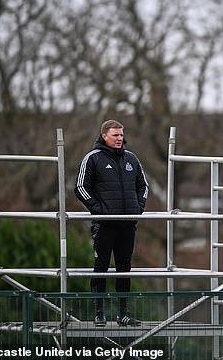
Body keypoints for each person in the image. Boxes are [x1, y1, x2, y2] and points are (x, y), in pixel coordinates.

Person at [74, 119, 149, 327]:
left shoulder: (132, 159)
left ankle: (123, 313)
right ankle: (99, 313)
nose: (120, 139)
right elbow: (80, 187)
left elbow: (143, 186)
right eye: (115, 135)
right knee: (101, 267)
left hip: (127, 225)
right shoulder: (92, 158)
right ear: (104, 136)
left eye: (121, 135)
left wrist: (138, 207)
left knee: (124, 269)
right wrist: (98, 210)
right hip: (105, 226)